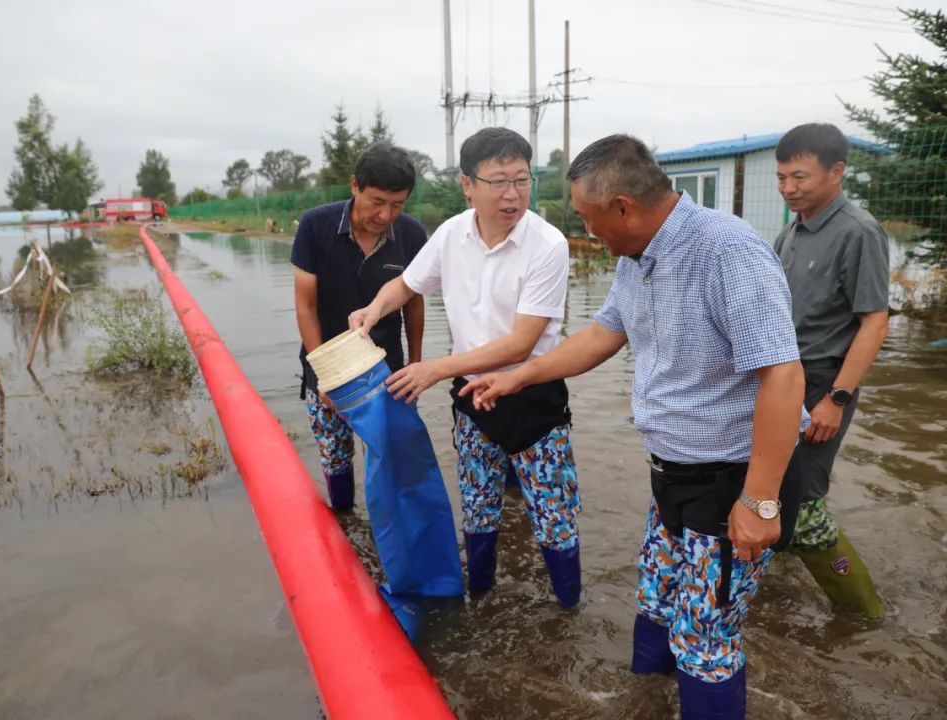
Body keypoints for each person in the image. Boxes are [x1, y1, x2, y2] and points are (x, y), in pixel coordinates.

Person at [462, 134, 806, 718]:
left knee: (705, 638)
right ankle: (645, 704)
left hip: (733, 483)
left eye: (589, 218)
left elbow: (784, 375)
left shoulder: (727, 251)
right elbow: (603, 333)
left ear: (622, 206)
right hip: (671, 475)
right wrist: (522, 375)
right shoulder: (636, 257)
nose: (588, 232)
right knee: (655, 604)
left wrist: (762, 500)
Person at [349, 127, 582, 607]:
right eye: (498, 181)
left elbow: (521, 341)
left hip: (533, 396)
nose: (512, 194)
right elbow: (408, 285)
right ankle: (479, 596)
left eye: (522, 179)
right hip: (473, 398)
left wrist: (434, 368)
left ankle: (568, 609)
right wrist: (374, 308)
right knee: (478, 510)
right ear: (467, 185)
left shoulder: (548, 244)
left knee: (554, 517)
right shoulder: (451, 234)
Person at [774, 123, 890, 618]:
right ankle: (773, 589)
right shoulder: (791, 230)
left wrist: (836, 399)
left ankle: (865, 617)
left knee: (804, 509)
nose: (788, 188)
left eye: (799, 176)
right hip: (784, 380)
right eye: (781, 177)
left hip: (824, 382)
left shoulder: (858, 231)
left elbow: (874, 321)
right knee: (771, 490)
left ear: (837, 173)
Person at [291, 141, 427, 510]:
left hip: (387, 372)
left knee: (389, 459)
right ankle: (344, 526)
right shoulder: (316, 226)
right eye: (377, 201)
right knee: (335, 456)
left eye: (397, 204)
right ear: (355, 186)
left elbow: (414, 305)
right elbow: (305, 306)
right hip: (325, 366)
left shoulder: (412, 235)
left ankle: (386, 542)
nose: (385, 215)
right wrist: (323, 377)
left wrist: (415, 366)